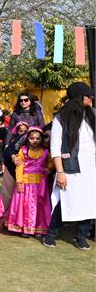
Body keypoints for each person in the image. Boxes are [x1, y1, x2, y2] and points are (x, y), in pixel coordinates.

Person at [44, 82, 95, 250]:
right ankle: (51, 234)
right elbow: (55, 148)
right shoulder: (61, 119)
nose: (92, 98)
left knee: (90, 202)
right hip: (70, 167)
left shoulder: (93, 115)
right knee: (67, 201)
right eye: (88, 95)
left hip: (91, 168)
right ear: (79, 98)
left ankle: (81, 237)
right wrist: (60, 172)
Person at [6, 127, 52, 237]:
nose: (34, 141)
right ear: (27, 138)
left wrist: (49, 168)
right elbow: (19, 167)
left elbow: (50, 163)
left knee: (39, 206)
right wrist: (19, 182)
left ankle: (38, 228)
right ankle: (25, 228)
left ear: (41, 139)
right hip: (25, 183)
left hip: (40, 184)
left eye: (37, 138)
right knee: (25, 206)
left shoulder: (46, 152)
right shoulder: (23, 151)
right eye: (32, 138)